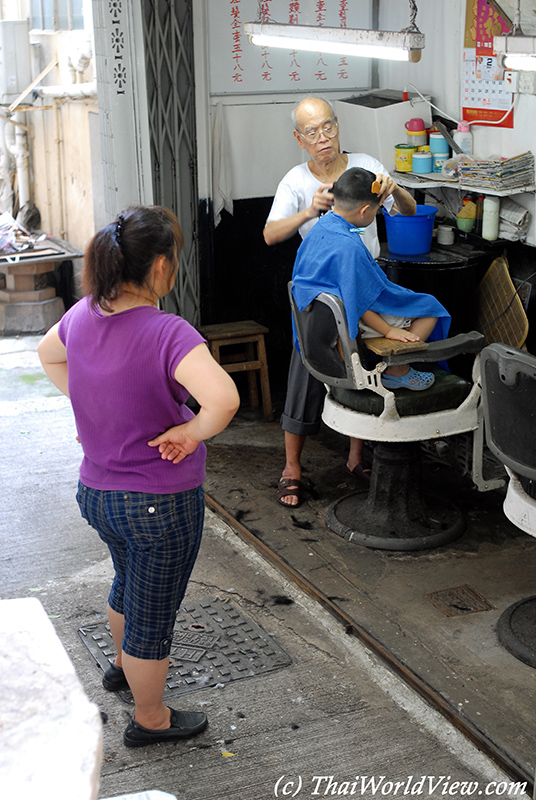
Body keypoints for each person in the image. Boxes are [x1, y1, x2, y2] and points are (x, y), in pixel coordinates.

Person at [38, 206, 240, 748]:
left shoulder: (82, 315)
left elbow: (47, 354)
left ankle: (127, 673)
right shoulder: (166, 331)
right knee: (153, 614)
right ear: (158, 268)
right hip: (159, 504)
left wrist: (92, 408)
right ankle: (151, 718)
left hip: (98, 495)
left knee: (127, 584)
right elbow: (224, 399)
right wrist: (193, 432)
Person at [264, 95, 418, 507]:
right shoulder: (296, 181)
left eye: (328, 127)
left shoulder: (366, 166)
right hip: (319, 292)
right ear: (300, 138)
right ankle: (292, 468)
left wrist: (395, 189)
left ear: (338, 125)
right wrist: (308, 211)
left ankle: (355, 456)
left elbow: (408, 211)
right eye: (312, 132)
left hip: (364, 281)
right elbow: (270, 234)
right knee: (307, 364)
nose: (323, 138)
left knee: (366, 361)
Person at [292, 167, 450, 390]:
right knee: (429, 308)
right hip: (349, 321)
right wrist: (388, 330)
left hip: (318, 324)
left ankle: (391, 364)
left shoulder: (321, 228)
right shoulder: (348, 246)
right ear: (365, 210)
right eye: (376, 211)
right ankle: (398, 370)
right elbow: (357, 300)